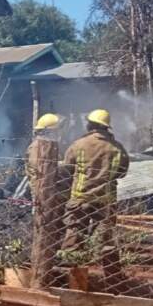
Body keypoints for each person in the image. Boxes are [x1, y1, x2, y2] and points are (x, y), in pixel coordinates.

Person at [60, 109, 129, 276]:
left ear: (90, 125)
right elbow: (122, 172)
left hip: (80, 198)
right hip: (105, 201)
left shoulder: (78, 145)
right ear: (107, 127)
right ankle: (113, 276)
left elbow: (66, 170)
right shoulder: (117, 148)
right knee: (106, 238)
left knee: (75, 233)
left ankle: (68, 272)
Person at [25, 113, 64, 201]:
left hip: (50, 190)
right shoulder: (37, 147)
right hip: (42, 192)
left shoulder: (49, 145)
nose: (59, 132)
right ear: (49, 131)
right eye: (57, 130)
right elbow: (40, 170)